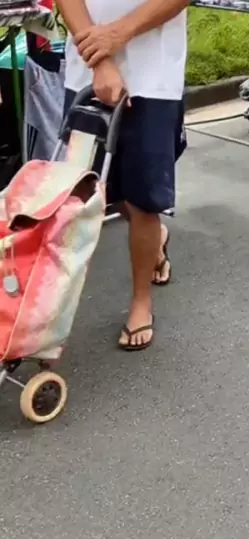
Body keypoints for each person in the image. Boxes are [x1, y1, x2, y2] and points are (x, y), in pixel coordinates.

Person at [57, 0, 189, 351]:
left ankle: (141, 301)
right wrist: (100, 59)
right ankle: (155, 242)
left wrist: (119, 34)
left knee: (143, 200)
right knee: (88, 192)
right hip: (85, 73)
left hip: (153, 78)